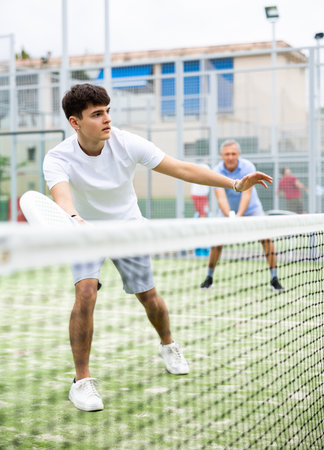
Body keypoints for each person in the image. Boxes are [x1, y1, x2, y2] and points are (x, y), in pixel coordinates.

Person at [43, 84, 273, 412]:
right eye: (97, 114)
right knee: (85, 293)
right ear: (75, 122)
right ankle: (81, 381)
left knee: (149, 297)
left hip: (128, 227)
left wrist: (235, 183)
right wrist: (74, 217)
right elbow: (62, 196)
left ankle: (168, 345)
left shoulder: (126, 142)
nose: (107, 119)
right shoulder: (58, 157)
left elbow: (181, 168)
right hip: (84, 231)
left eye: (108, 110)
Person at [200, 139, 284, 292]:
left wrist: (238, 216)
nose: (230, 157)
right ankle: (209, 278)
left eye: (233, 154)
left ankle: (274, 279)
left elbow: (246, 194)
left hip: (252, 209)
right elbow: (221, 198)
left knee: (266, 239)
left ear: (238, 154)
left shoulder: (248, 167)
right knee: (216, 241)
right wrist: (231, 217)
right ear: (222, 155)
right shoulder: (216, 170)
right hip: (227, 212)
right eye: (227, 154)